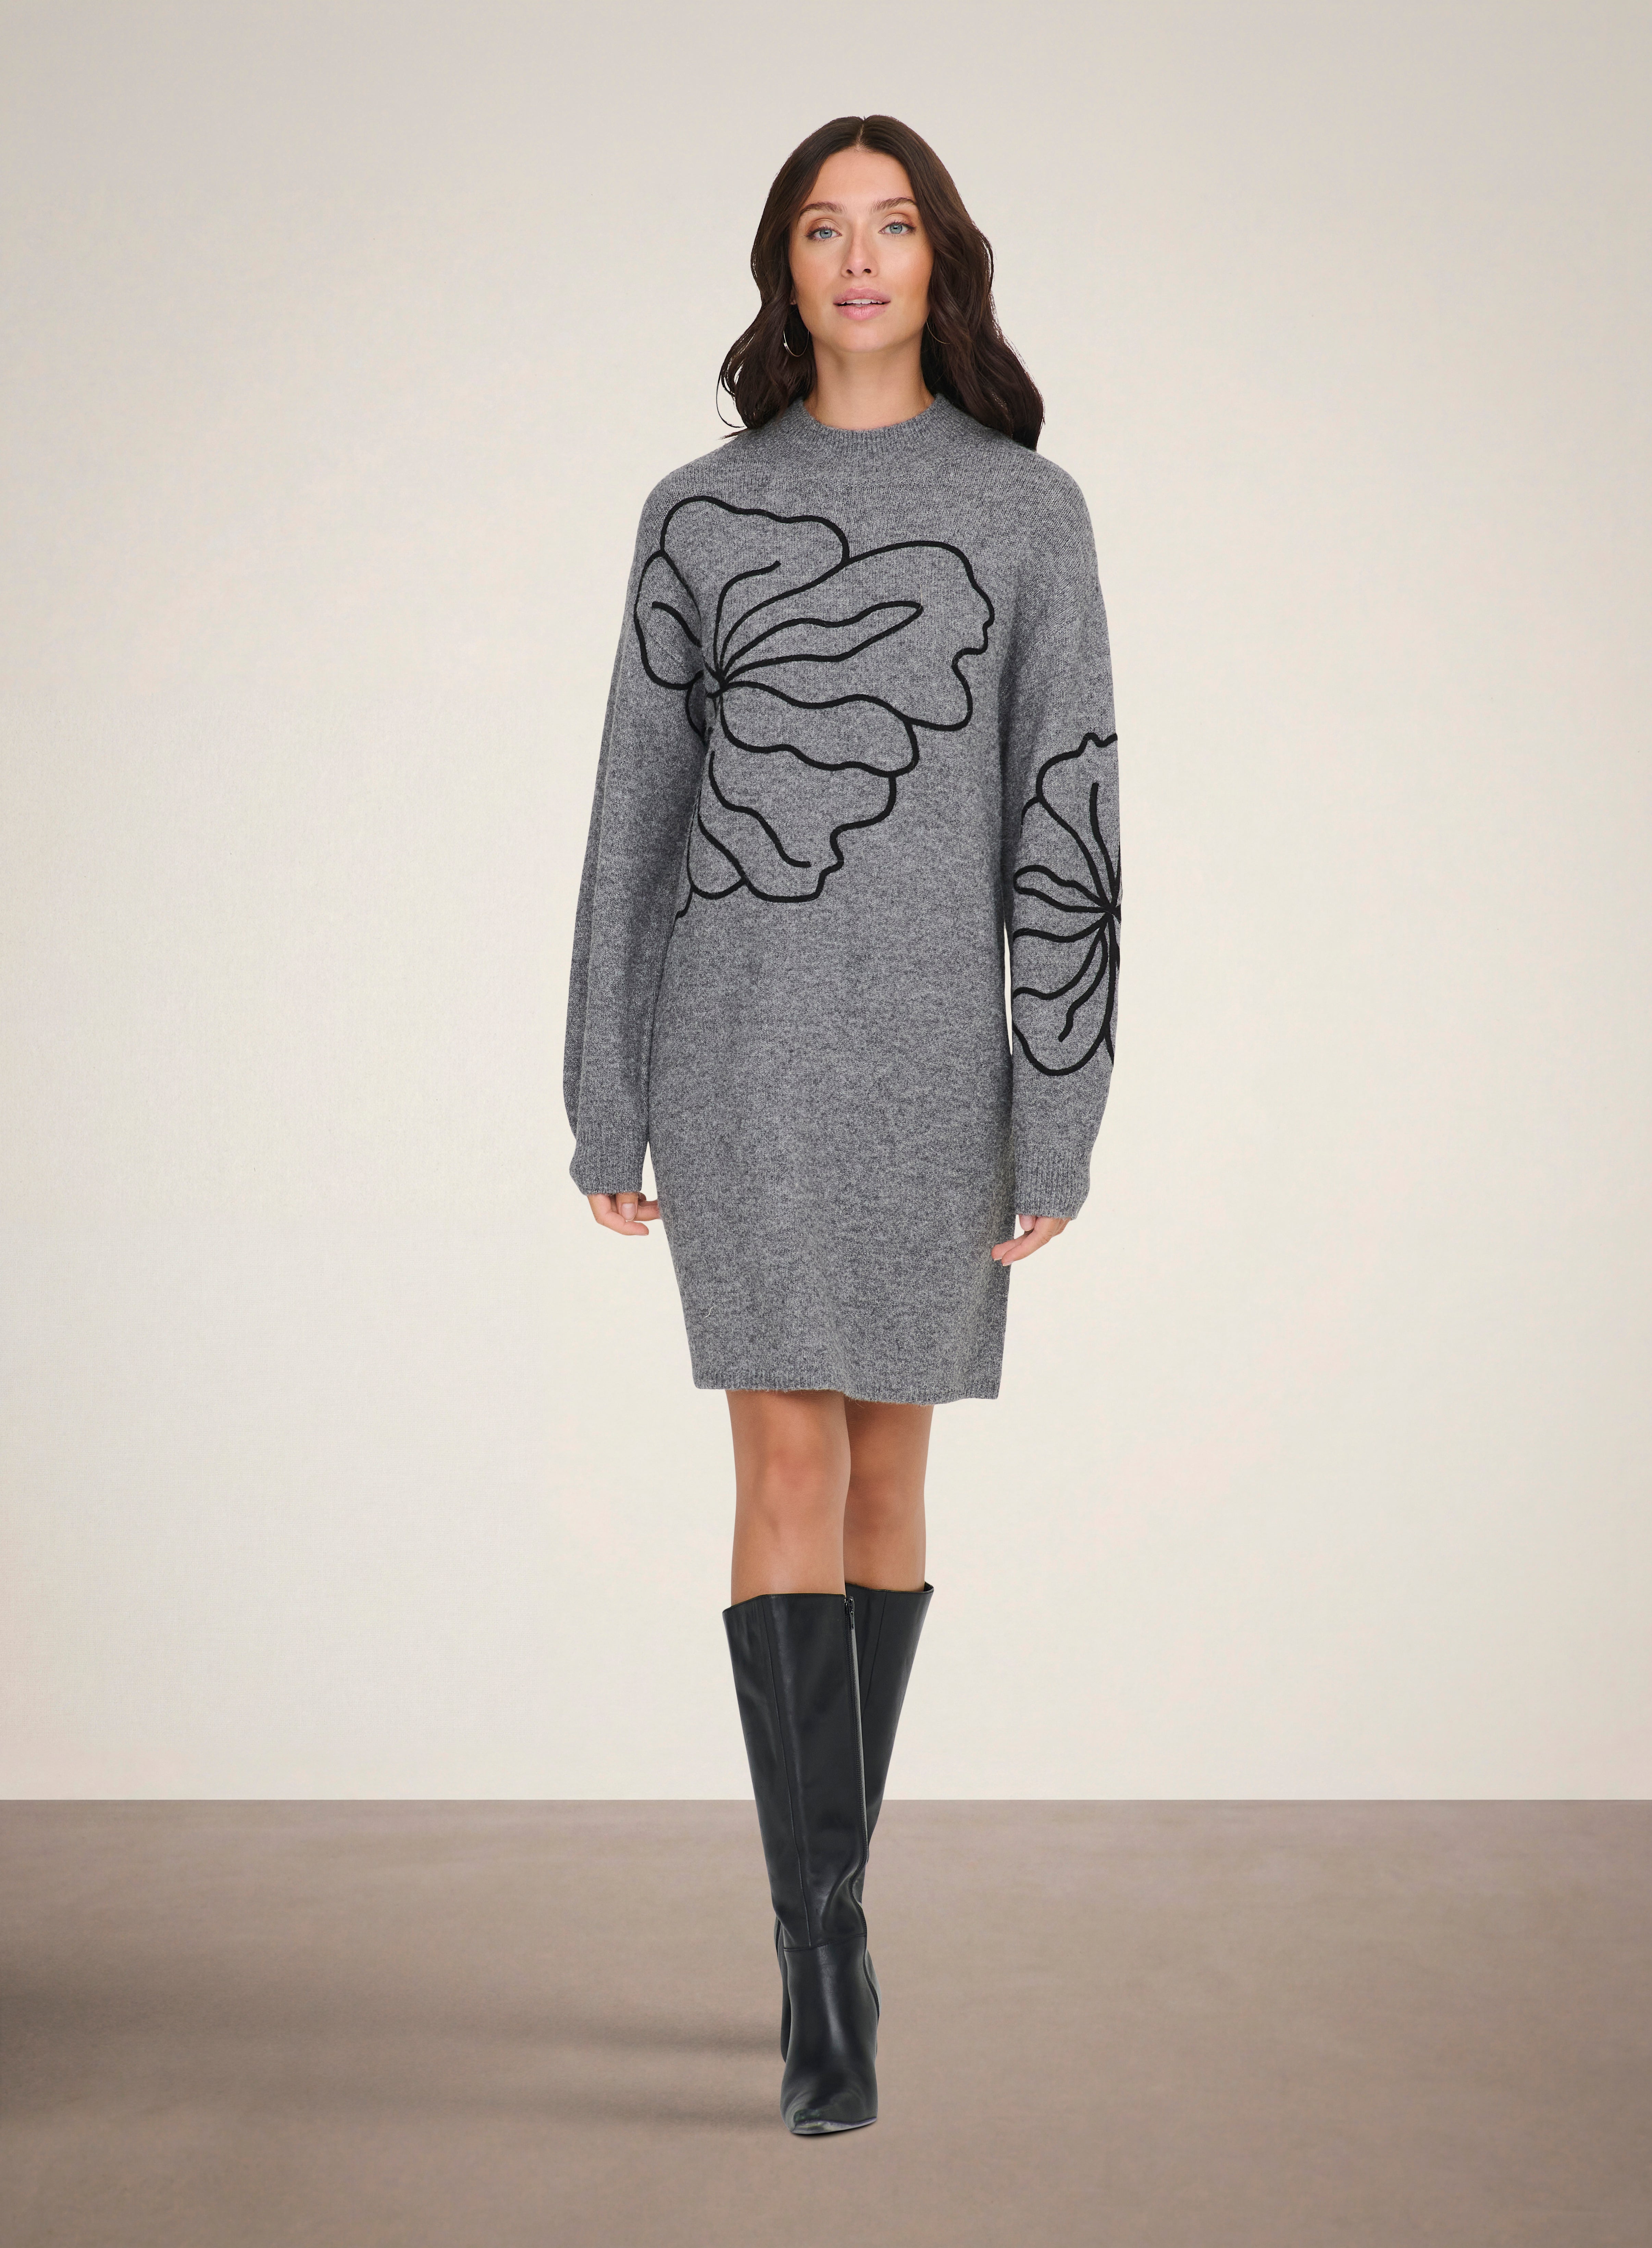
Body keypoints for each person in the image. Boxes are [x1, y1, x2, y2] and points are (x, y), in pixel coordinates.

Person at [563, 113, 1119, 2134]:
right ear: (783, 267)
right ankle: (817, 1950)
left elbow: (1072, 812)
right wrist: (604, 1087)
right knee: (784, 1450)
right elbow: (634, 817)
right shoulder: (699, 512)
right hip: (741, 1050)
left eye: (892, 226)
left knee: (891, 1472)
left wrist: (1060, 1098)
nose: (860, 257)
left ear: (939, 261)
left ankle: (839, 1900)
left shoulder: (1029, 515)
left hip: (935, 1068)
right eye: (824, 227)